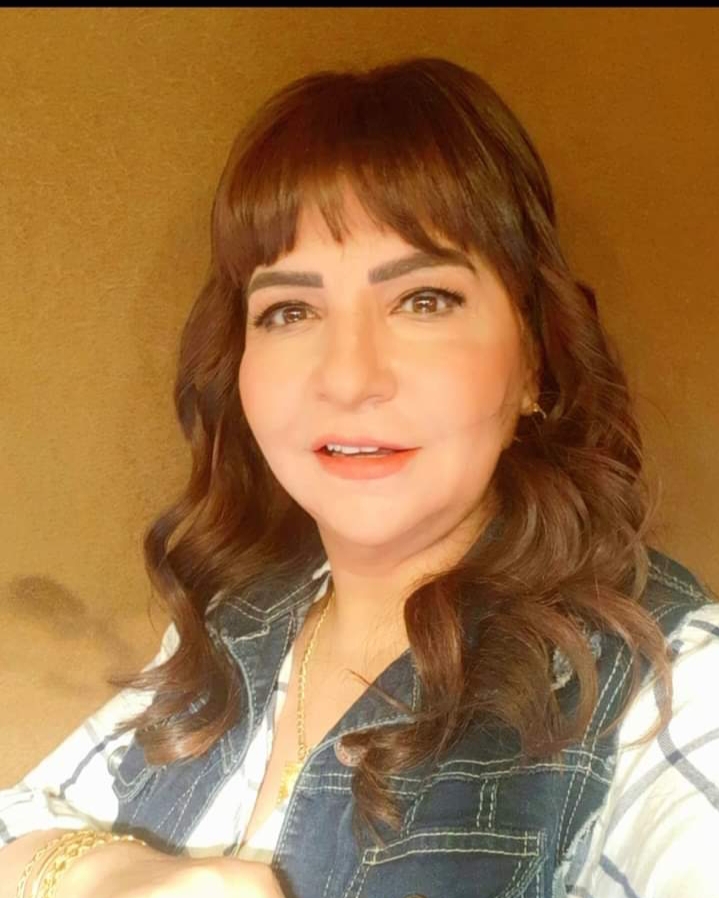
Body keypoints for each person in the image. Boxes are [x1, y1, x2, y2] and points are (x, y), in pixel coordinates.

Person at [1, 57, 717, 898]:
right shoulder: (238, 618)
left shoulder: (665, 684)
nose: (347, 377)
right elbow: (19, 822)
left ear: (533, 360)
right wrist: (108, 873)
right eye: (289, 310)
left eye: (423, 300)